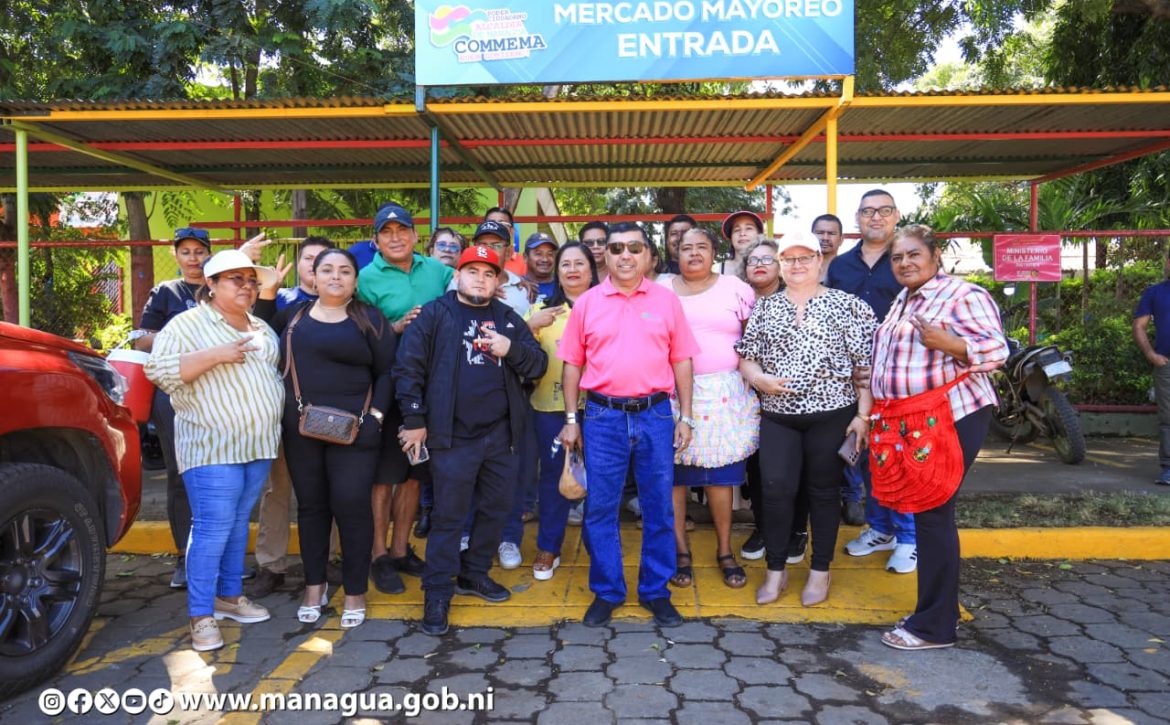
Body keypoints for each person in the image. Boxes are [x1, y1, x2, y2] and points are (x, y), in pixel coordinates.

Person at [395, 246, 547, 636]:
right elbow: (408, 368)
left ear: (498, 281)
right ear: (457, 276)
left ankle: (473, 573)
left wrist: (510, 349)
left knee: (495, 510)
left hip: (501, 435)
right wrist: (414, 420)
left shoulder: (506, 318)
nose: (480, 279)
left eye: (488, 273)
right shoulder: (435, 314)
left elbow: (538, 364)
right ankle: (437, 592)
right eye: (473, 271)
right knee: (449, 516)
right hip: (451, 436)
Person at [871, 225, 1007, 649]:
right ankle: (931, 615)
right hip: (912, 419)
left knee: (933, 513)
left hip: (951, 414)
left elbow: (997, 350)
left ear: (935, 255)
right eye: (897, 258)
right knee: (928, 514)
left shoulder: (963, 295)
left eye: (914, 254)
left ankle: (933, 627)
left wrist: (952, 344)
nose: (905, 263)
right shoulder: (904, 299)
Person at [558, 222, 700, 629]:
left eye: (634, 248)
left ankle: (655, 591)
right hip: (602, 417)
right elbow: (572, 365)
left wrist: (686, 416)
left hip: (656, 415)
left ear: (648, 256)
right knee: (601, 507)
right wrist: (572, 420)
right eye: (616, 248)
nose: (625, 255)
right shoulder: (587, 303)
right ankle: (607, 591)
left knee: (659, 506)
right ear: (605, 255)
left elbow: (682, 360)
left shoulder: (666, 301)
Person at [144, 249, 283, 652]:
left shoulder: (260, 326)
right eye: (236, 279)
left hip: (257, 444)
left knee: (238, 523)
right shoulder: (187, 324)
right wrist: (216, 354)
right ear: (211, 284)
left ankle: (229, 597)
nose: (247, 287)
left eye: (252, 281)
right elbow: (159, 371)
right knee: (212, 527)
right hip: (211, 445)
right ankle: (201, 615)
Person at [736, 230, 876, 608]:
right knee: (775, 489)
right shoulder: (766, 307)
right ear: (780, 265)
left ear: (818, 260)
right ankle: (776, 569)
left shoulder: (848, 305)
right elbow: (746, 357)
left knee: (823, 492)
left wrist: (863, 415)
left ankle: (820, 570)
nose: (797, 265)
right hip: (779, 415)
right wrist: (758, 378)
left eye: (805, 257)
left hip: (832, 414)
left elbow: (864, 367)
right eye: (789, 259)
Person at [263, 248, 396, 629]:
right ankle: (314, 587)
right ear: (313, 277)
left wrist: (376, 417)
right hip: (302, 430)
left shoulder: (370, 319)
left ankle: (355, 591)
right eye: (327, 270)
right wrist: (267, 292)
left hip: (356, 431)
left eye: (344, 271)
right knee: (311, 508)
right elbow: (258, 333)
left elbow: (388, 372)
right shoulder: (293, 316)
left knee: (352, 506)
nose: (335, 277)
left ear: (355, 280)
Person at [357, 202, 454, 594]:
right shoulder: (365, 278)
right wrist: (393, 328)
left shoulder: (438, 270)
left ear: (416, 236)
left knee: (415, 475)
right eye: (387, 232)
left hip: (431, 391)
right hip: (389, 389)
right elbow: (359, 333)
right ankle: (378, 555)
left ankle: (400, 550)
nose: (395, 238)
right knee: (384, 478)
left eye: (402, 230)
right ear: (376, 240)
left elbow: (472, 286)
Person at [830, 190, 917, 574]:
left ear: (896, 215)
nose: (875, 217)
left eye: (884, 211)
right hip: (853, 377)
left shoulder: (906, 259)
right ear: (858, 218)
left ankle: (909, 538)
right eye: (868, 211)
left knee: (901, 457)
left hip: (899, 376)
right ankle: (881, 528)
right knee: (867, 455)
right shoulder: (841, 266)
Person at [666, 228, 759, 590]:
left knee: (722, 477)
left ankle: (724, 551)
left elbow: (754, 338)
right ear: (675, 253)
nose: (693, 253)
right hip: (673, 393)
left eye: (701, 247)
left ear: (714, 252)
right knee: (674, 476)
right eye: (686, 247)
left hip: (725, 395)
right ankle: (680, 552)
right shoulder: (661, 289)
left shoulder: (736, 288)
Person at [251, 236, 336, 597]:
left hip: (331, 414)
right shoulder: (280, 301)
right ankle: (271, 565)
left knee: (328, 488)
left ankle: (327, 561)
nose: (315, 266)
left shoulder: (345, 304)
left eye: (323, 260)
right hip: (285, 410)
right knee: (278, 490)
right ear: (300, 266)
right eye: (309, 259)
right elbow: (258, 334)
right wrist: (267, 291)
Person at [132, 226, 213, 589]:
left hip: (219, 394)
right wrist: (181, 337)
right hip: (174, 395)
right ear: (176, 255)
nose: (193, 259)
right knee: (181, 476)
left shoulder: (220, 288)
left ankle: (219, 560)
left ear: (209, 254)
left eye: (199, 251)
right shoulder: (166, 292)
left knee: (220, 476)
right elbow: (142, 340)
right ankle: (184, 558)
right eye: (186, 252)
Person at [525, 242, 599, 581]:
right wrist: (530, 326)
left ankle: (598, 548)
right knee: (554, 476)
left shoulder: (608, 306)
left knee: (601, 479)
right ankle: (549, 546)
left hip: (600, 407)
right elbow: (520, 355)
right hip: (550, 408)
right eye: (565, 264)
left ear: (591, 269)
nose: (572, 269)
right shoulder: (542, 310)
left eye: (579, 263)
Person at [737, 238, 781, 562]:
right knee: (757, 466)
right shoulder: (739, 298)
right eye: (753, 260)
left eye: (767, 259)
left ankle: (794, 531)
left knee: (788, 469)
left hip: (788, 396)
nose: (759, 265)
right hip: (746, 393)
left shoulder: (796, 298)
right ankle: (763, 527)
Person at [1134, 245, 1170, 485]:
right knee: (1168, 417)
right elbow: (1139, 326)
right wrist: (1151, 354)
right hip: (1166, 364)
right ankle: (1168, 468)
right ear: (1168, 263)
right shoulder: (1154, 292)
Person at [461, 220, 533, 316]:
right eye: (482, 245)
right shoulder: (460, 282)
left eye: (496, 246)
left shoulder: (522, 289)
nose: (488, 251)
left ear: (508, 253)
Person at [720, 210, 765, 280]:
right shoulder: (717, 269)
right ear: (731, 238)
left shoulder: (770, 267)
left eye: (749, 228)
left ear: (759, 235)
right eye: (737, 230)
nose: (742, 233)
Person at [485, 206, 527, 276]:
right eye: (491, 223)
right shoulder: (474, 258)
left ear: (512, 231)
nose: (496, 227)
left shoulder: (523, 263)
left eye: (502, 224)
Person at [523, 232, 559, 300]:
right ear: (525, 257)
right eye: (538, 254)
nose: (545, 259)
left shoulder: (563, 286)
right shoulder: (518, 286)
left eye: (550, 254)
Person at [812, 214, 846, 279]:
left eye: (831, 233)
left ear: (841, 239)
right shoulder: (798, 269)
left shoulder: (850, 272)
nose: (825, 238)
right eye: (820, 233)